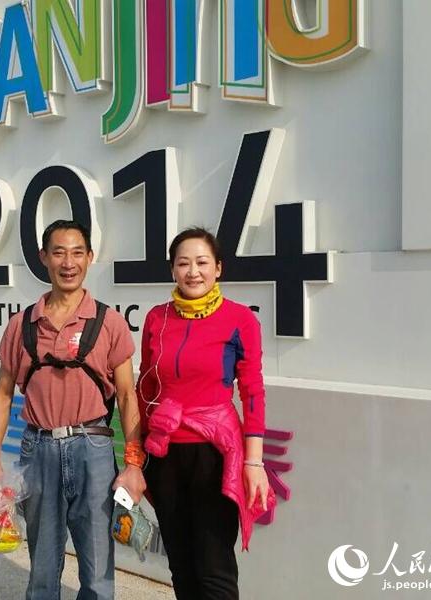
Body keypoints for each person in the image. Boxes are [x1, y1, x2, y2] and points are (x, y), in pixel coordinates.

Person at [0, 220, 146, 600]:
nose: (68, 263)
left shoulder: (109, 322)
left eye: (77, 253)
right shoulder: (21, 325)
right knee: (42, 564)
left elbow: (127, 396)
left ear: (89, 258)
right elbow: (3, 395)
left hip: (93, 449)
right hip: (37, 448)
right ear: (44, 257)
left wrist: (133, 464)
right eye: (58, 253)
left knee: (97, 565)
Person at [136, 228, 269, 600]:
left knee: (214, 568)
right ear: (172, 270)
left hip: (214, 456)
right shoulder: (157, 318)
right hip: (164, 454)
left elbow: (252, 392)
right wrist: (137, 455)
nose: (192, 272)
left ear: (218, 268)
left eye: (202, 262)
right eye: (183, 263)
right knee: (181, 565)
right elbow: (145, 386)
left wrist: (254, 463)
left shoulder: (240, 319)